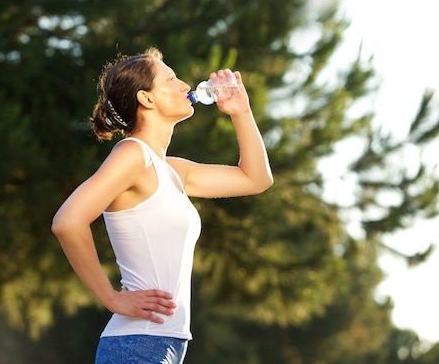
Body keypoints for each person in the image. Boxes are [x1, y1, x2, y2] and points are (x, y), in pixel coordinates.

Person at [51, 47, 273, 364]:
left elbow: (256, 179)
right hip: (137, 344)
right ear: (147, 99)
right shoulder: (133, 155)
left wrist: (241, 113)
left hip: (166, 344)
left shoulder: (171, 170)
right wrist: (112, 298)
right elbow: (67, 221)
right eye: (170, 78)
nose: (185, 85)